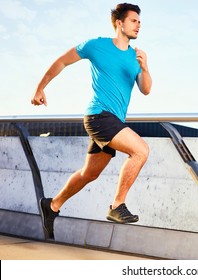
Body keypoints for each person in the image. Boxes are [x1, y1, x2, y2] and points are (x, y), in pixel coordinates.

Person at [31, 3, 152, 239]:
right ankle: (117, 205)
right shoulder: (96, 45)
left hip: (113, 122)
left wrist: (145, 67)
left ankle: (52, 205)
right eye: (134, 20)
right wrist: (40, 88)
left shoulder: (135, 56)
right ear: (120, 22)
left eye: (139, 21)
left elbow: (145, 89)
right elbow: (62, 61)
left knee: (89, 173)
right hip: (99, 116)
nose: (139, 25)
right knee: (141, 151)